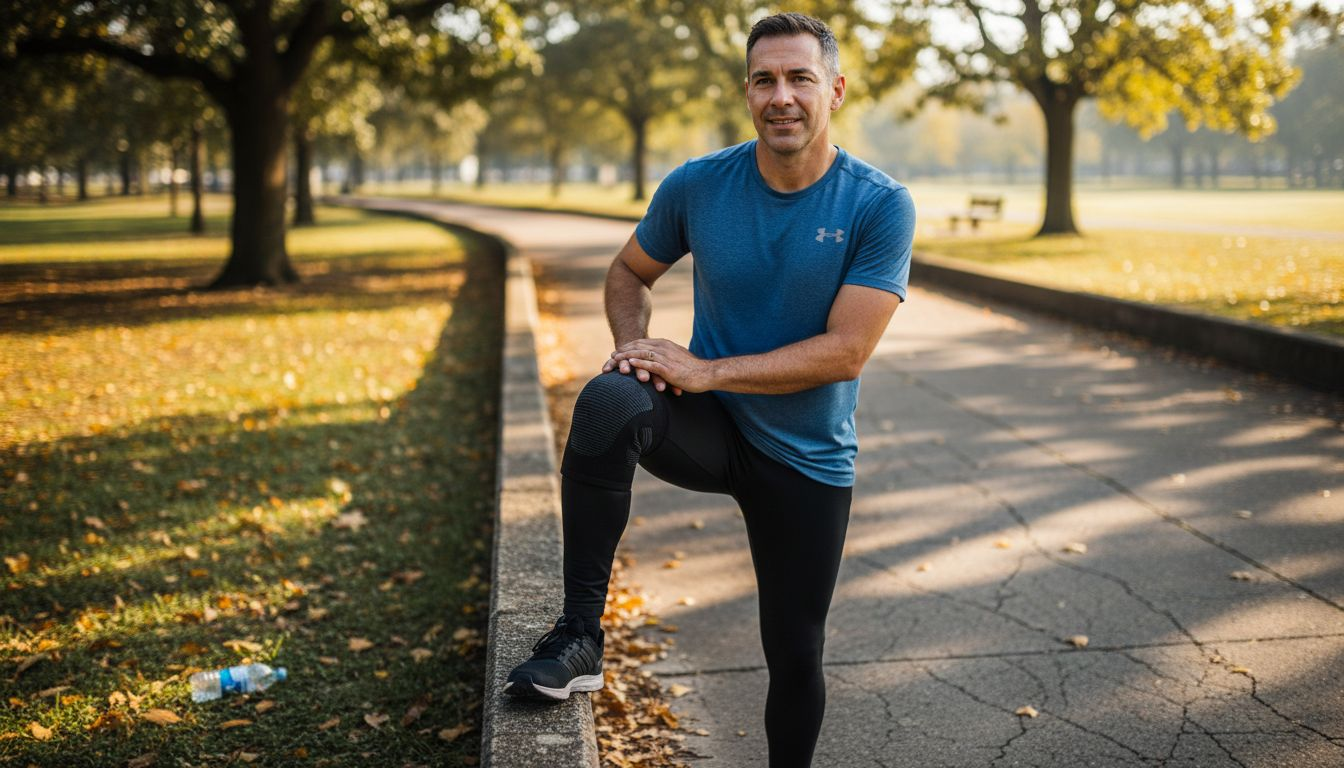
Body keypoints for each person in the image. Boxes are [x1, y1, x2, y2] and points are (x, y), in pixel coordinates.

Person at [504, 11, 915, 767]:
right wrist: (635, 350)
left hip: (806, 456)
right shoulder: (699, 185)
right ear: (747, 92)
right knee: (610, 397)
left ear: (836, 90)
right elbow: (629, 270)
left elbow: (848, 351)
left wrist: (705, 369)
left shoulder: (878, 203)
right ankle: (579, 637)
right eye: (765, 80)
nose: (781, 96)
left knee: (795, 653)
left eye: (799, 78)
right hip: (710, 426)